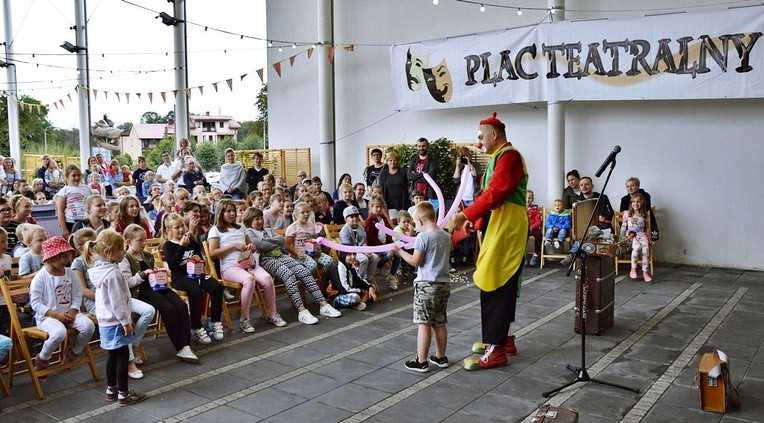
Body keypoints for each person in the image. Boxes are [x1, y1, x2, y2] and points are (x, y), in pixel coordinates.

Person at [451, 112, 526, 370]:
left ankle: (496, 349)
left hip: (509, 226)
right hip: (501, 224)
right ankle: (501, 339)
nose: (479, 139)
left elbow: (497, 193)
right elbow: (491, 196)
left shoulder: (510, 155)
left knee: (496, 281)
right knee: (496, 279)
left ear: (494, 134)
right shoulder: (498, 157)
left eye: (481, 134)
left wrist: (464, 215)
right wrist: (476, 220)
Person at [121, 222, 199, 364]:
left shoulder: (147, 255)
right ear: (128, 242)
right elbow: (128, 282)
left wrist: (162, 271)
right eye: (140, 240)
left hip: (158, 286)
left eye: (145, 239)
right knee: (168, 309)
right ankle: (179, 346)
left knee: (181, 305)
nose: (144, 243)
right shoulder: (125, 258)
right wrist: (144, 274)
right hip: (141, 291)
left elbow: (156, 269)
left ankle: (186, 345)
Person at [85, 230, 147, 406]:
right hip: (117, 322)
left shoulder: (98, 270)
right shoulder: (113, 274)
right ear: (107, 251)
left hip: (106, 322)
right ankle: (124, 394)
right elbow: (117, 302)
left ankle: (111, 390)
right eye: (121, 249)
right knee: (122, 357)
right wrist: (126, 322)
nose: (124, 252)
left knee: (112, 356)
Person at [393, 201, 451, 372]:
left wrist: (399, 251)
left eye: (413, 223)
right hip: (443, 284)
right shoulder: (446, 236)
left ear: (419, 220)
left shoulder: (423, 237)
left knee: (424, 323)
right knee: (440, 321)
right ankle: (440, 357)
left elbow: (415, 261)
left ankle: (421, 360)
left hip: (426, 285)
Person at [207, 199, 276, 333]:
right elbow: (212, 253)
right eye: (228, 211)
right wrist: (233, 246)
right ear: (221, 213)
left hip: (247, 262)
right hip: (230, 267)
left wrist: (252, 247)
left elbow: (252, 248)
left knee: (267, 279)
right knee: (249, 280)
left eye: (233, 210)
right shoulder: (215, 230)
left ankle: (272, 314)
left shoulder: (241, 227)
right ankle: (244, 319)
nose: (232, 214)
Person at [29, 237, 96, 371]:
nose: (66, 260)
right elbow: (36, 303)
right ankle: (43, 357)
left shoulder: (70, 274)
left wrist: (73, 310)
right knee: (60, 333)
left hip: (70, 313)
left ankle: (74, 352)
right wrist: (54, 314)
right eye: (62, 257)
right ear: (50, 258)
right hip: (48, 317)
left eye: (67, 257)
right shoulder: (41, 278)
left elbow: (77, 295)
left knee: (89, 326)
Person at [162, 214, 225, 342]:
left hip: (196, 274)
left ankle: (215, 321)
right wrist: (181, 247)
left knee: (217, 287)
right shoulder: (168, 245)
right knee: (195, 290)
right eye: (176, 227)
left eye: (182, 226)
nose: (181, 230)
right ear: (169, 230)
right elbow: (173, 265)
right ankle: (196, 326)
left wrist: (197, 260)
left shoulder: (191, 242)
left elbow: (201, 260)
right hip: (180, 278)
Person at [339, 206, 379, 290]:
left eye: (356, 216)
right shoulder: (344, 231)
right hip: (350, 253)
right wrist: (362, 252)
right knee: (364, 259)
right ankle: (361, 280)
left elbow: (363, 242)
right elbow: (348, 248)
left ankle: (368, 279)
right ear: (346, 219)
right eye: (351, 216)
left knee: (374, 257)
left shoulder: (360, 228)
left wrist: (365, 250)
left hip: (360, 251)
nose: (355, 218)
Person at [620, 193, 654, 282]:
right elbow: (623, 226)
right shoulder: (627, 214)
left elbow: (647, 228)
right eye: (634, 202)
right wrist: (622, 238)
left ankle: (645, 272)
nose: (636, 203)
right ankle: (633, 268)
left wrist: (650, 240)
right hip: (631, 235)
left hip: (642, 235)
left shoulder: (645, 214)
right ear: (631, 203)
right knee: (637, 248)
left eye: (638, 201)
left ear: (642, 202)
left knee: (645, 250)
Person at [55, 165, 91, 239]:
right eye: (73, 176)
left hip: (86, 221)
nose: (77, 178)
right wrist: (64, 229)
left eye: (78, 175)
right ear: (67, 177)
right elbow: (60, 211)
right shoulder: (64, 191)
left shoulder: (86, 188)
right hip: (71, 222)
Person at [619, 176, 659, 241]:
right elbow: (622, 216)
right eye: (628, 186)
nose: (630, 188)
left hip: (644, 228)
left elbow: (645, 209)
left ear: (638, 186)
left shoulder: (645, 196)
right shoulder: (624, 199)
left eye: (632, 186)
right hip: (629, 229)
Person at [377, 151, 409, 222]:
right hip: (389, 205)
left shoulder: (403, 172)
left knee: (403, 222)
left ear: (397, 161)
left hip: (403, 203)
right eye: (390, 160)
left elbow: (408, 185)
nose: (392, 162)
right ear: (387, 162)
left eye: (395, 160)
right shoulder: (383, 174)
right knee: (392, 223)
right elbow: (381, 189)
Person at [526, 190, 542, 267]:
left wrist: (532, 227)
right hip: (524, 228)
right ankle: (523, 256)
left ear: (532, 199)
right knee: (519, 237)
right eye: (526, 198)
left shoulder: (535, 208)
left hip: (533, 227)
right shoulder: (520, 208)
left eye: (529, 198)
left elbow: (538, 220)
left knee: (539, 235)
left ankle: (536, 254)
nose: (527, 200)